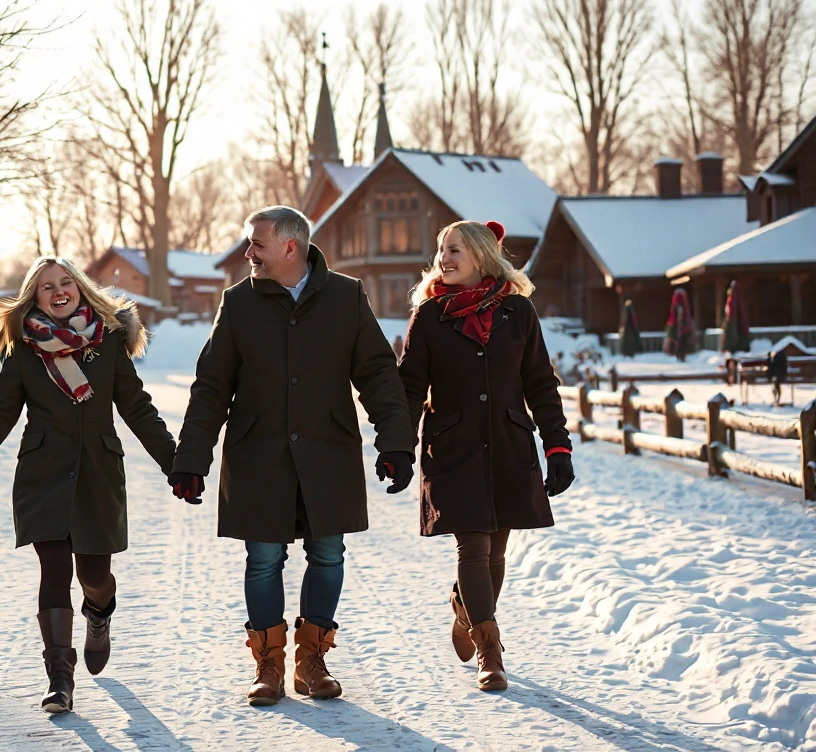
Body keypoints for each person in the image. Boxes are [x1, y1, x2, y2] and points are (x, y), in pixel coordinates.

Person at [170, 205, 416, 706]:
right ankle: (269, 663)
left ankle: (312, 660)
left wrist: (395, 442)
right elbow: (212, 386)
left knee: (328, 553)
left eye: (256, 243)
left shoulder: (346, 296)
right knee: (264, 559)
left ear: (290, 247)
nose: (248, 252)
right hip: (259, 453)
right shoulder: (238, 302)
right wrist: (192, 458)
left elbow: (377, 374)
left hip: (328, 451)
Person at [0, 257, 175, 714]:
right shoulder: (25, 349)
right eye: (46, 286)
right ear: (35, 297)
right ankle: (59, 678)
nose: (58, 291)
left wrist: (178, 465)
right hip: (42, 474)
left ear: (81, 288)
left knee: (94, 577)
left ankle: (100, 613)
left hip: (97, 474)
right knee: (53, 570)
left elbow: (136, 406)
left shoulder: (108, 341)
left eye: (65, 282)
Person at [396, 219, 575, 692]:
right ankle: (490, 652)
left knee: (496, 550)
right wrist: (397, 447)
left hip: (509, 444)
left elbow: (540, 382)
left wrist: (558, 446)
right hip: (452, 448)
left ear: (480, 255)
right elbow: (409, 389)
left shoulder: (518, 311)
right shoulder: (429, 317)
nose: (444, 258)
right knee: (473, 546)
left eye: (454, 249)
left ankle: (467, 609)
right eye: (441, 250)